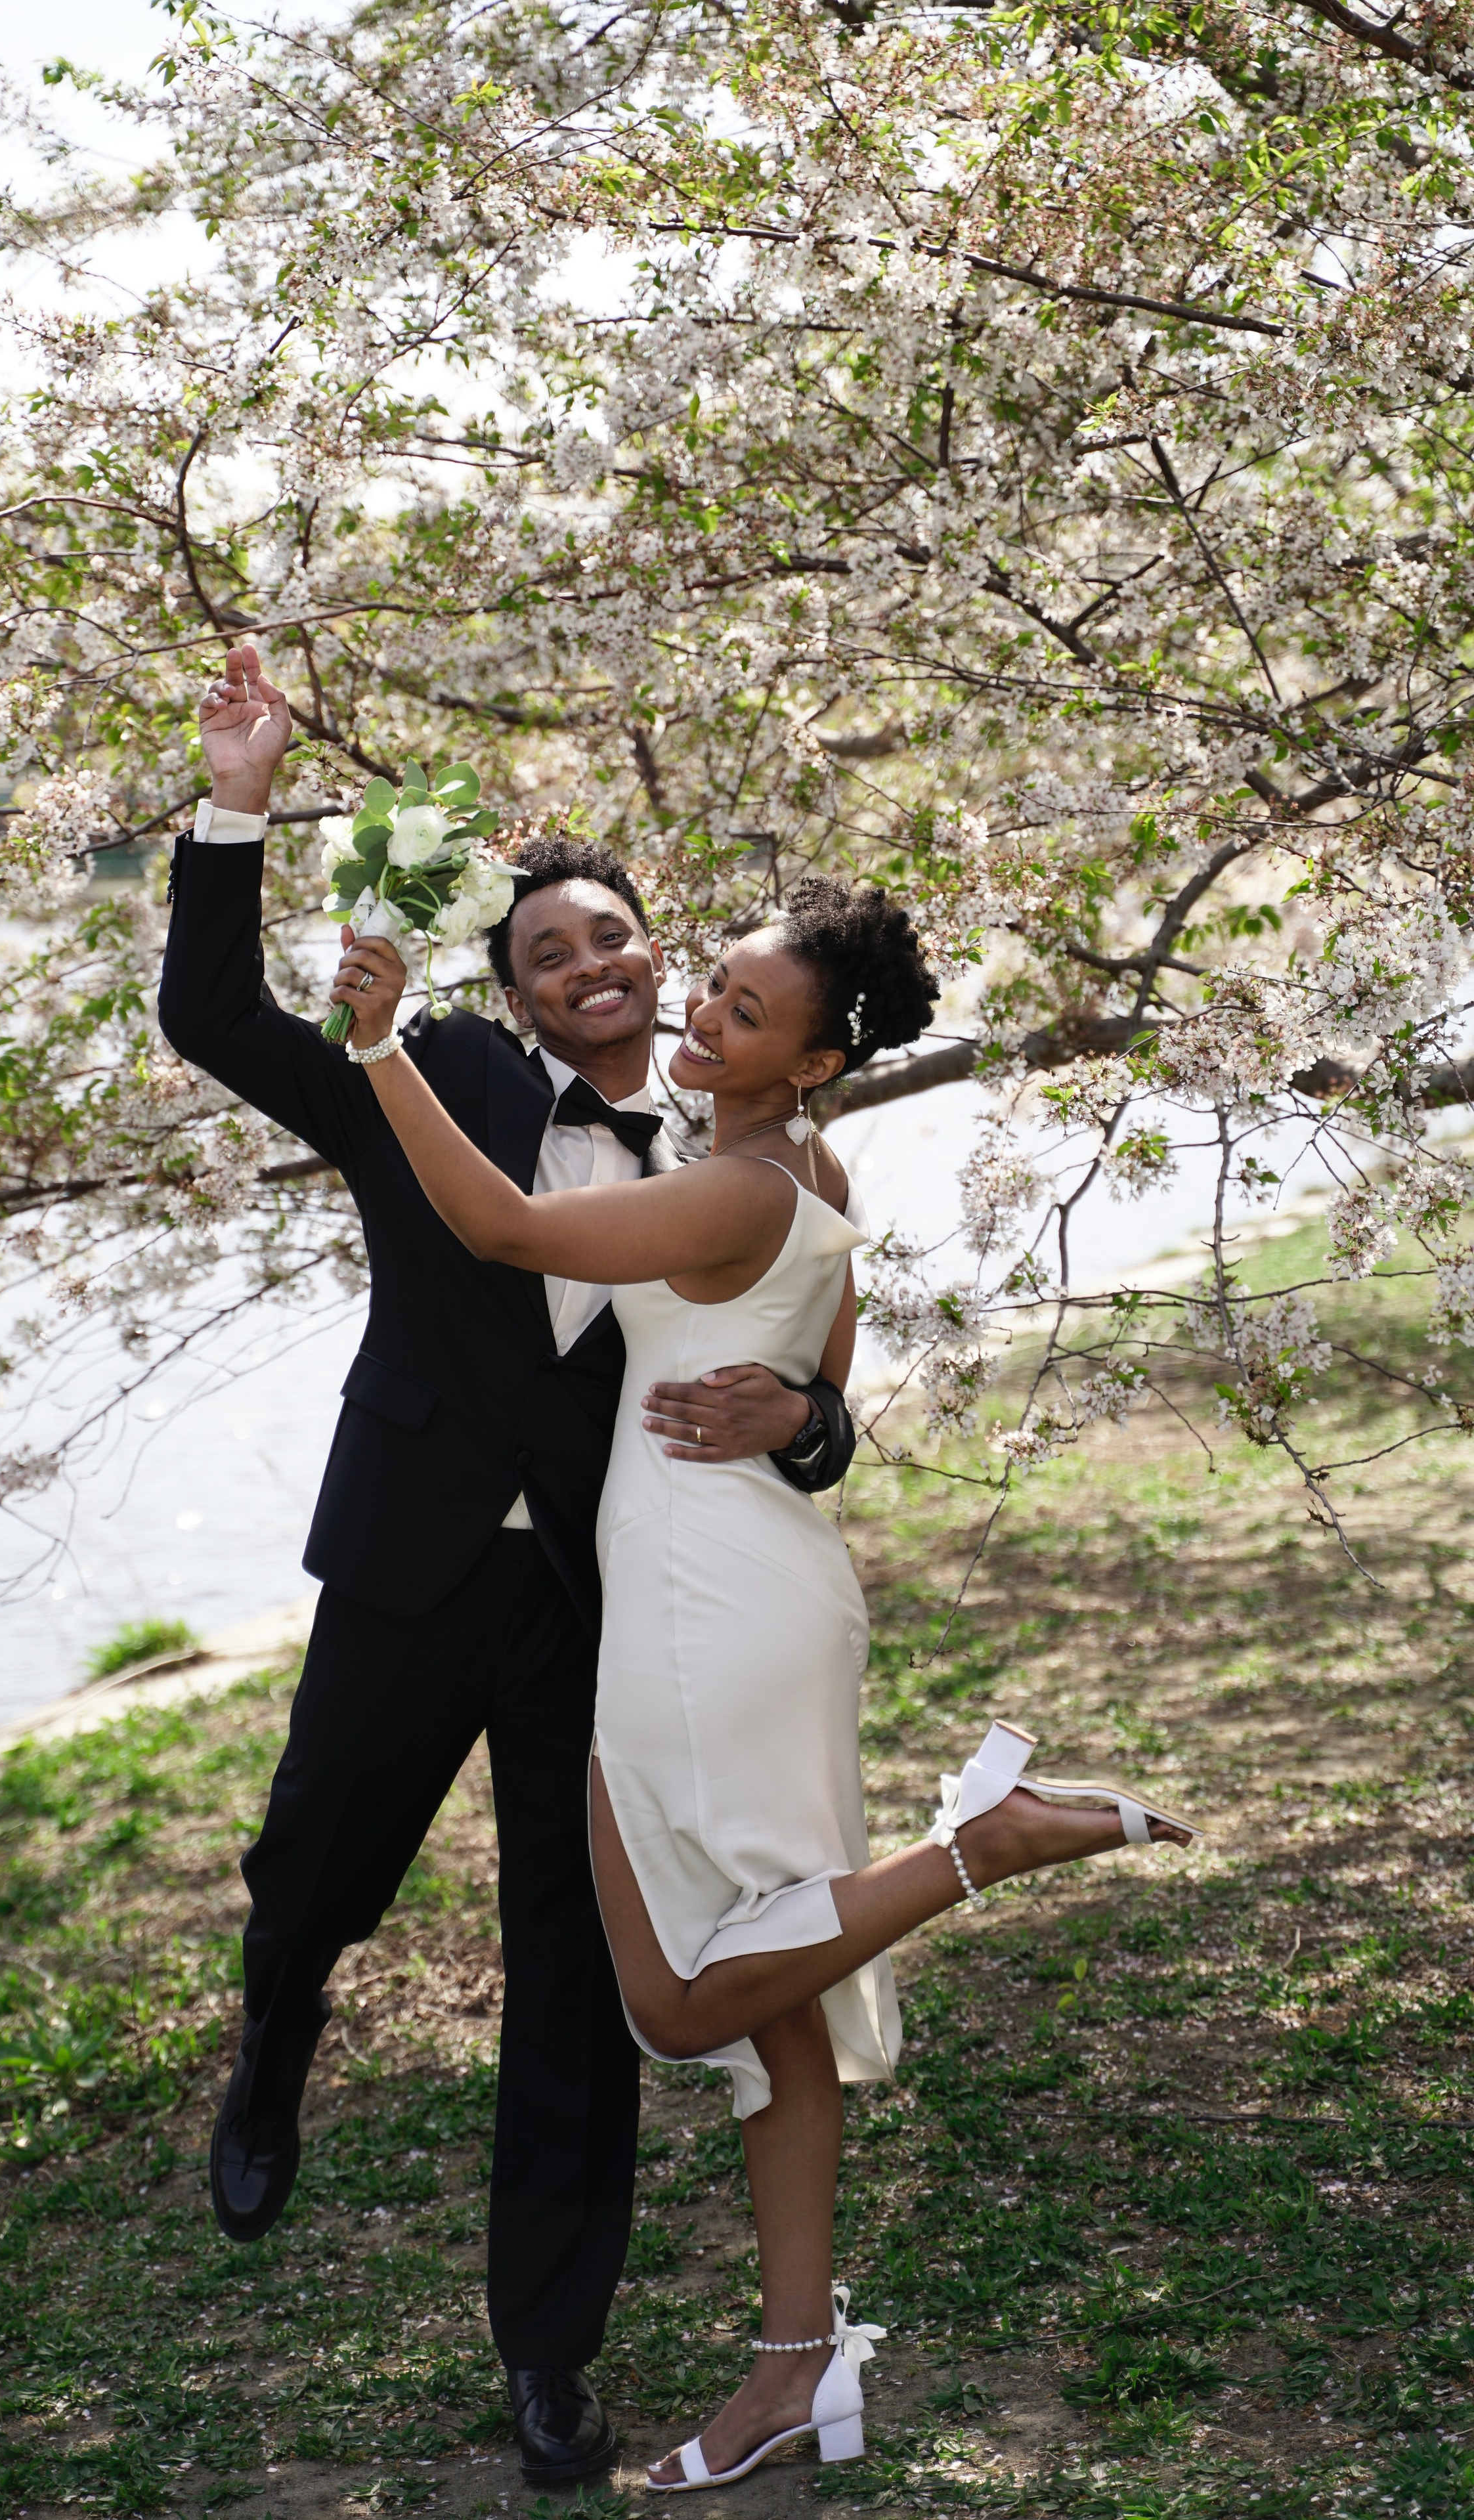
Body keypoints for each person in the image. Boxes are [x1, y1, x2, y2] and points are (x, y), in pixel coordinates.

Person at [330, 876, 1200, 2494]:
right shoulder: (803, 1163)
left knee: (673, 1997)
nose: (700, 1015)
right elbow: (826, 1382)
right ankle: (792, 2366)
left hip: (694, 1602)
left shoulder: (735, 1184)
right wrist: (789, 1414)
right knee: (770, 2012)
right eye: (713, 986)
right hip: (738, 1577)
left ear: (805, 1062)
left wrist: (381, 1052)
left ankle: (977, 1846)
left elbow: (507, 1229)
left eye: (739, 1009)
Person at [155, 645, 859, 2487]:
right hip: (408, 1559)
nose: (595, 968)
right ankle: (275, 2030)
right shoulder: (429, 1074)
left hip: (604, 1617)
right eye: (552, 952)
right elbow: (219, 1021)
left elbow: (821, 1383)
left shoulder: (751, 1146)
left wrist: (802, 1419)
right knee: (310, 1870)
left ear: (654, 941)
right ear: (515, 988)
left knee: (578, 1986)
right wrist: (240, 797)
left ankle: (550, 2350)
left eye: (616, 936)